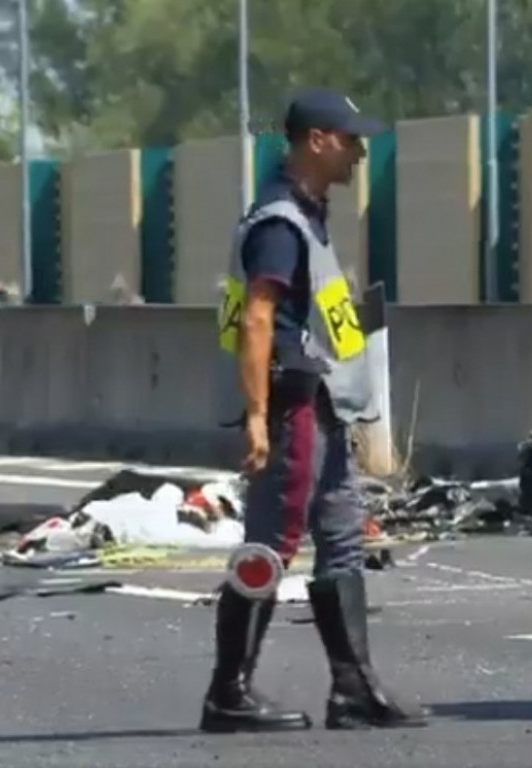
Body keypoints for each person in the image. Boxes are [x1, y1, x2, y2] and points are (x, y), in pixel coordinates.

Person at [200, 88, 428, 734]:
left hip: (321, 404)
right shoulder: (279, 222)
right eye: (351, 139)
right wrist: (255, 416)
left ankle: (353, 690)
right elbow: (258, 318)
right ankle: (228, 694)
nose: (360, 151)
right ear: (317, 141)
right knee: (272, 542)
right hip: (290, 404)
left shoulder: (307, 214)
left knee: (342, 540)